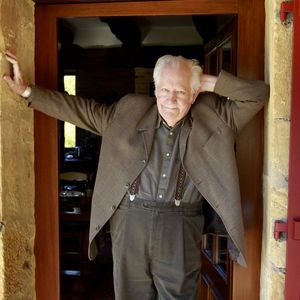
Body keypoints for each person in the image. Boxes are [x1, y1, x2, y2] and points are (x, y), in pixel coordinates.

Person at [3, 50, 269, 300]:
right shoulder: (129, 111)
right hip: (129, 221)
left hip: (180, 224)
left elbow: (258, 94)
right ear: (155, 90)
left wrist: (206, 81)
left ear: (193, 93)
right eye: (164, 89)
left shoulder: (217, 116)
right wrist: (28, 91)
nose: (170, 99)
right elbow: (79, 110)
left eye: (179, 91)